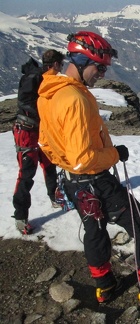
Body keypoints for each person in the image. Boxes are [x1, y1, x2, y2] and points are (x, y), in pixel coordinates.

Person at [37, 31, 140, 306]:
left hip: (73, 182)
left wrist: (64, 163)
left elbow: (45, 141)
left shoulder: (49, 93)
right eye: (99, 67)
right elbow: (84, 158)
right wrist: (115, 154)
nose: (101, 74)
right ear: (81, 61)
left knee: (95, 230)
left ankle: (105, 286)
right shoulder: (75, 99)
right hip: (95, 180)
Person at [12, 49, 65, 235]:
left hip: (36, 129)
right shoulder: (35, 79)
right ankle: (20, 216)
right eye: (61, 65)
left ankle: (54, 197)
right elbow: (25, 102)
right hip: (27, 130)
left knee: (49, 163)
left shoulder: (40, 78)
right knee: (27, 172)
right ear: (56, 64)